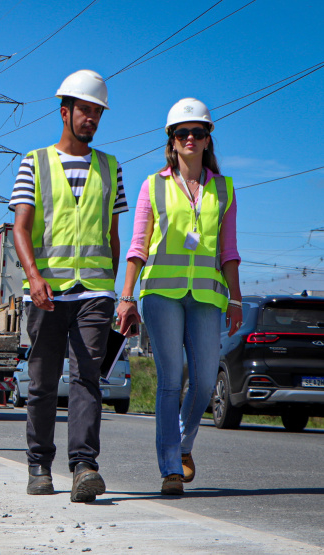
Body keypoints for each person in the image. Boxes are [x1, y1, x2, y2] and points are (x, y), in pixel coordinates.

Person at [10, 69, 128, 502]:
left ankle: (84, 467)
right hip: (46, 293)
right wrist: (35, 277)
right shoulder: (33, 163)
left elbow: (113, 235)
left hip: (94, 293)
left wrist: (116, 289)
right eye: (85, 110)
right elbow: (20, 229)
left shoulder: (110, 168)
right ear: (65, 112)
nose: (91, 119)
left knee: (87, 380)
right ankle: (39, 465)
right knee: (41, 384)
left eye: (97, 113)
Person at [116, 98, 241, 496]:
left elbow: (229, 251)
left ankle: (182, 446)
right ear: (171, 141)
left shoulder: (224, 188)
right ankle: (170, 467)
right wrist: (126, 296)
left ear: (208, 139)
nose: (189, 138)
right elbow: (137, 246)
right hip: (161, 295)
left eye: (197, 132)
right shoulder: (152, 185)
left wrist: (236, 301)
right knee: (172, 381)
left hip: (207, 297)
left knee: (204, 382)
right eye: (181, 133)